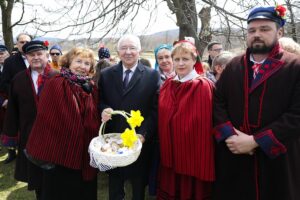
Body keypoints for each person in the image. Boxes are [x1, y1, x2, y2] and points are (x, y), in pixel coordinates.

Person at [213, 5, 300, 200]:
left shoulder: (295, 66)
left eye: (264, 29)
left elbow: (296, 116)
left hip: (277, 161)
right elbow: (218, 102)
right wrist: (231, 137)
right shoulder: (234, 65)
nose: (257, 34)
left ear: (280, 31)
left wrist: (255, 141)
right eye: (252, 30)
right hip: (234, 157)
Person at [25, 47, 100, 200]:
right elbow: (50, 117)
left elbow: (93, 115)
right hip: (62, 152)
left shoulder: (90, 86)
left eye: (87, 63)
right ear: (68, 62)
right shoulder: (57, 83)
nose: (82, 66)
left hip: (85, 151)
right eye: (78, 61)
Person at [100, 34, 160, 200]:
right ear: (118, 51)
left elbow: (155, 110)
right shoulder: (106, 75)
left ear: (139, 51)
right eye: (124, 48)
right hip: (114, 140)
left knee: (138, 185)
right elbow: (101, 101)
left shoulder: (152, 76)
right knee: (115, 184)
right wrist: (104, 110)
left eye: (132, 48)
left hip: (138, 139)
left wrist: (143, 133)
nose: (128, 52)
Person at [157, 40, 215, 199]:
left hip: (192, 150)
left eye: (185, 59)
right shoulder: (168, 83)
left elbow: (204, 121)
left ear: (194, 60)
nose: (180, 63)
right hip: (170, 146)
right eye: (176, 59)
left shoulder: (202, 85)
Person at [1, 40, 58, 199]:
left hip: (54, 135)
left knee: (55, 175)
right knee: (37, 176)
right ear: (26, 57)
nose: (36, 57)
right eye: (31, 55)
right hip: (29, 134)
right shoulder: (18, 80)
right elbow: (12, 109)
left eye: (39, 54)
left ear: (46, 55)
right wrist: (11, 135)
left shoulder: (58, 77)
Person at [0, 33, 32, 164]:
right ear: (17, 44)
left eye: (27, 42)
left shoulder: (37, 57)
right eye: (21, 42)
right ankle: (20, 154)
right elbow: (5, 82)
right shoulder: (10, 62)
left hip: (37, 102)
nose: (24, 44)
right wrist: (16, 94)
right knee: (19, 129)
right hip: (18, 102)